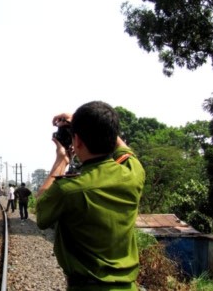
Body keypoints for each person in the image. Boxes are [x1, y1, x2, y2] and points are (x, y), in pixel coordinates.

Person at [36, 101, 145, 290]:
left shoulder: (68, 189)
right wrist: (85, 123)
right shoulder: (133, 173)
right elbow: (124, 149)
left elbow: (41, 207)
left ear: (76, 140)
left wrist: (61, 160)